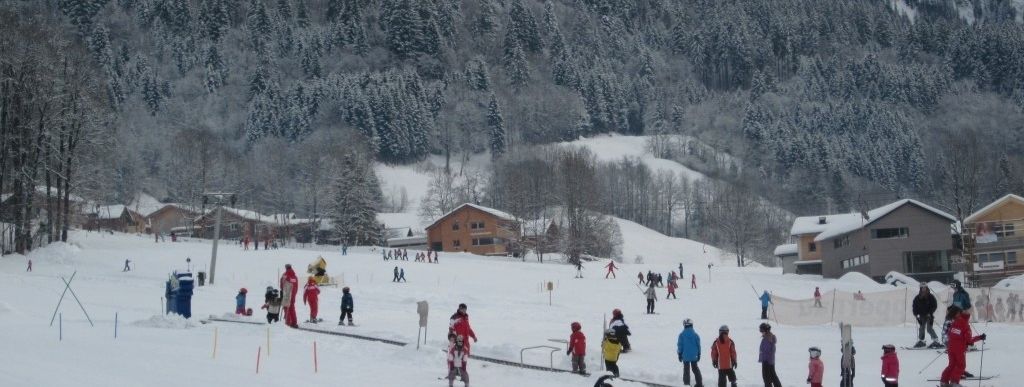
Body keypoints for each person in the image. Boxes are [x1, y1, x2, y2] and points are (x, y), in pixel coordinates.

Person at [939, 306, 986, 386]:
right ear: (959, 313)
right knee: (961, 365)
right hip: (959, 349)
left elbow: (950, 334)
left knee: (952, 365)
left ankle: (944, 381)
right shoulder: (965, 324)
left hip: (951, 347)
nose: (969, 311)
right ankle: (954, 382)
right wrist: (980, 337)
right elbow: (969, 340)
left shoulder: (954, 322)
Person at [912, 283, 941, 348]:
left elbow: (934, 305)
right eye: (922, 287)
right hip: (921, 315)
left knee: (929, 328)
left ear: (926, 288)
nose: (923, 289)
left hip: (929, 315)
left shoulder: (931, 296)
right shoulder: (917, 297)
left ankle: (936, 340)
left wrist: (930, 313)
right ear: (920, 288)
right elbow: (914, 306)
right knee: (921, 328)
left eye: (925, 287)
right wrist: (916, 314)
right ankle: (921, 341)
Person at [677, 318, 703, 387]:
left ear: (684, 325)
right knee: (695, 369)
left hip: (685, 355)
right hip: (694, 355)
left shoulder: (681, 335)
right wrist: (699, 353)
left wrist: (679, 354)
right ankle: (699, 383)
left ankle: (686, 384)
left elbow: (680, 345)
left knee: (686, 370)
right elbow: (698, 345)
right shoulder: (696, 335)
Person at [758, 323, 782, 387]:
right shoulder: (768, 338)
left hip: (767, 361)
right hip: (770, 361)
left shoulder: (767, 339)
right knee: (773, 375)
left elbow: (769, 351)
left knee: (766, 377)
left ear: (766, 330)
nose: (761, 332)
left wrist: (766, 360)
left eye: (762, 331)